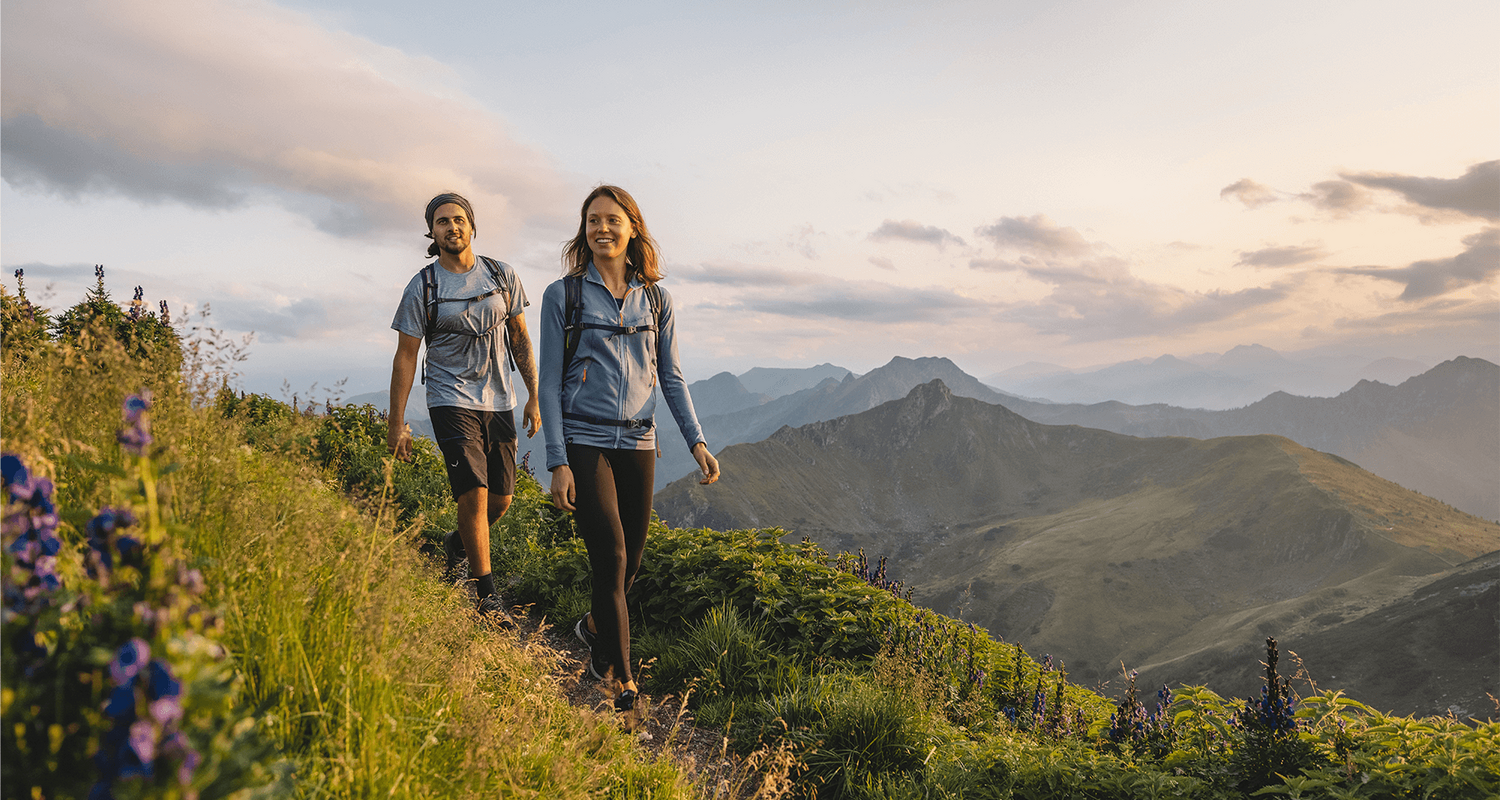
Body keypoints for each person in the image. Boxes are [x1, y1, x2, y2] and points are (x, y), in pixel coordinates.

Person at [538, 185, 720, 712]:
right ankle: (622, 679)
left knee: (631, 560)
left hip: (640, 440)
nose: (602, 229)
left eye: (612, 220)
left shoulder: (657, 299)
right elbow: (549, 383)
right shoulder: (563, 295)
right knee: (611, 556)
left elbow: (672, 377)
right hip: (584, 438)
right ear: (584, 230)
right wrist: (558, 460)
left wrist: (697, 441)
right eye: (593, 220)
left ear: (632, 228)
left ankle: (594, 629)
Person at [388, 192, 540, 623]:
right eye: (441, 222)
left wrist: (533, 395)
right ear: (431, 233)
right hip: (449, 396)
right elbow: (405, 355)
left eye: (458, 220)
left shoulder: (501, 274)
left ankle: (457, 544)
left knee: (501, 501)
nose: (451, 227)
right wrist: (396, 421)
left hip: (500, 398)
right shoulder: (423, 286)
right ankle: (486, 596)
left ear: (472, 226)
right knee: (473, 493)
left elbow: (520, 338)